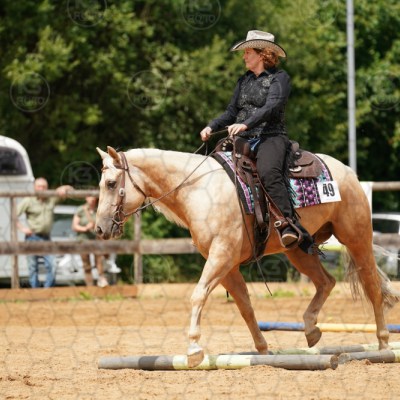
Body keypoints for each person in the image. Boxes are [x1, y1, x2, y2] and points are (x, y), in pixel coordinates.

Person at [200, 30, 300, 247]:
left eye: (248, 52)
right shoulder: (243, 80)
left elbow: (272, 106)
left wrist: (246, 123)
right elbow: (231, 112)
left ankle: (287, 223)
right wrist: (211, 126)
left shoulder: (280, 78)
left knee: (268, 172)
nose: (244, 56)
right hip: (243, 137)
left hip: (271, 137)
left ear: (262, 55)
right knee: (214, 168)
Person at [17, 177, 73, 288]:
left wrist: (64, 188)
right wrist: (23, 229)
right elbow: (13, 215)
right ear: (34, 188)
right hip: (32, 238)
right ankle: (36, 291)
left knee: (52, 265)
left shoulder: (51, 199)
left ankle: (47, 291)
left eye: (44, 187)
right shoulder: (28, 200)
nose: (42, 189)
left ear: (47, 188)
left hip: (46, 238)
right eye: (39, 186)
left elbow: (70, 189)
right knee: (33, 267)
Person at [72, 196, 110, 288]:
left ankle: (102, 280)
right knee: (86, 264)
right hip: (83, 240)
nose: (92, 199)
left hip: (96, 239)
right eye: (90, 197)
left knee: (99, 259)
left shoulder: (99, 210)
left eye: (93, 197)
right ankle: (90, 286)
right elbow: (74, 226)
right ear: (86, 198)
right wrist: (85, 228)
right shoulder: (81, 210)